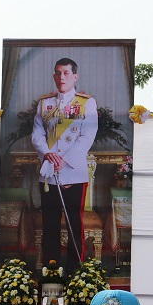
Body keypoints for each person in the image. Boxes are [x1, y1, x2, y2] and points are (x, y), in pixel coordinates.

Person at [31, 57, 98, 271]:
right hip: (49, 173)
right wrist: (48, 154)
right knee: (50, 224)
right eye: (58, 73)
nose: (62, 77)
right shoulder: (45, 103)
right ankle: (52, 272)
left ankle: (74, 270)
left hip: (73, 173)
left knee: (73, 225)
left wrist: (64, 160)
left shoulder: (87, 103)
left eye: (66, 73)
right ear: (54, 76)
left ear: (75, 76)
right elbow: (37, 135)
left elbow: (87, 136)